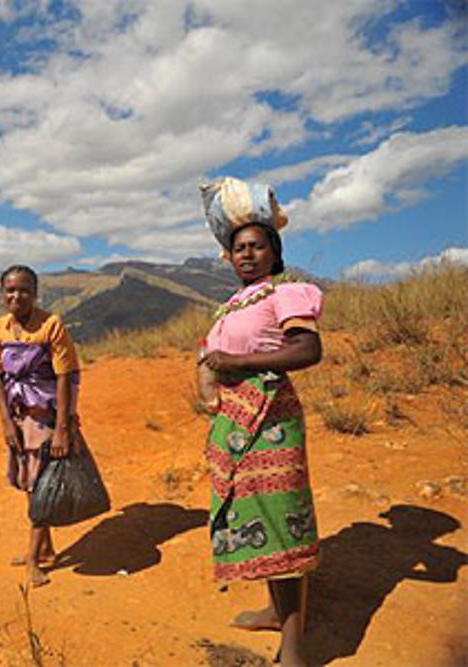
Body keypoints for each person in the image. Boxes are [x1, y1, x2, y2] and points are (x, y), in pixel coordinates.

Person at [197, 177, 324, 667]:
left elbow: (308, 349)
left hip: (271, 420)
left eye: (257, 246)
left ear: (274, 252)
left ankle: (293, 646)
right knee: (258, 522)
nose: (247, 254)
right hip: (234, 422)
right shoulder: (233, 304)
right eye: (239, 248)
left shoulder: (287, 293)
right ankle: (274, 611)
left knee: (283, 523)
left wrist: (239, 364)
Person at [0, 265, 81, 587]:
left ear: (36, 293)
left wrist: (62, 428)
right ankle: (46, 550)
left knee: (42, 486)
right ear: (2, 294)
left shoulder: (51, 325)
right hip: (19, 417)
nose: (17, 295)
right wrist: (5, 421)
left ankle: (32, 561)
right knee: (30, 485)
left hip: (46, 417)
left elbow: (65, 376)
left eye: (24, 290)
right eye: (10, 290)